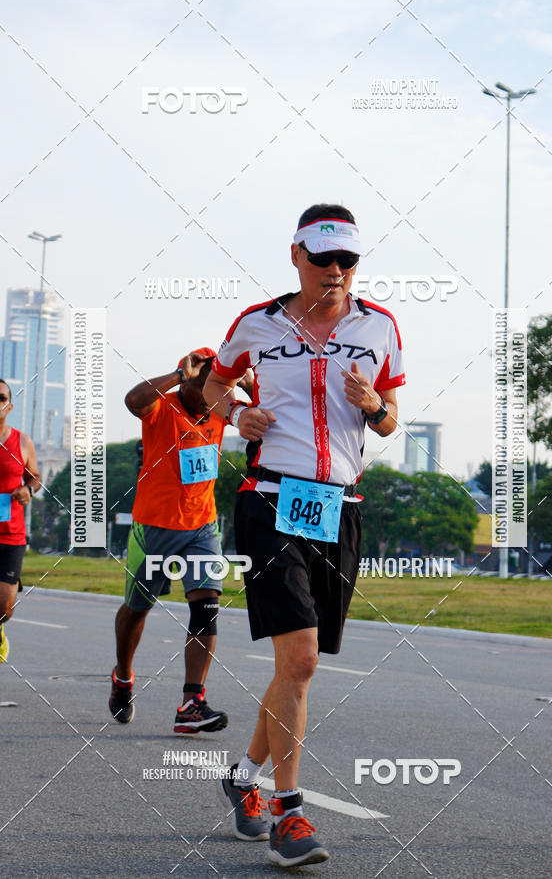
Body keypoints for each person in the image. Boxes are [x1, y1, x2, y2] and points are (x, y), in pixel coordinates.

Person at [205, 204, 405, 867]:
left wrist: (374, 406)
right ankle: (289, 816)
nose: (337, 272)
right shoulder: (256, 325)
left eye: (348, 260)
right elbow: (214, 385)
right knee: (302, 661)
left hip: (338, 505)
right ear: (296, 255)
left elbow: (389, 419)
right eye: (325, 260)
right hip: (270, 499)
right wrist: (239, 411)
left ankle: (242, 777)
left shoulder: (379, 328)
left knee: (297, 665)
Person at [109, 349, 251, 732]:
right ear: (188, 382)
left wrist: (250, 383)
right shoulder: (164, 407)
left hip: (202, 526)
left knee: (206, 608)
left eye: (218, 385)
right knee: (137, 609)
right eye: (205, 383)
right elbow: (132, 401)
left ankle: (192, 703)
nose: (213, 392)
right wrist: (176, 374)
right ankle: (123, 676)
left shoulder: (223, 408)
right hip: (154, 527)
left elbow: (271, 414)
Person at [0, 379, 42, 662]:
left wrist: (28, 489)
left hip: (12, 534)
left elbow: (35, 476)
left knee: (5, 609)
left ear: (9, 406)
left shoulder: (22, 441)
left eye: (0, 397)